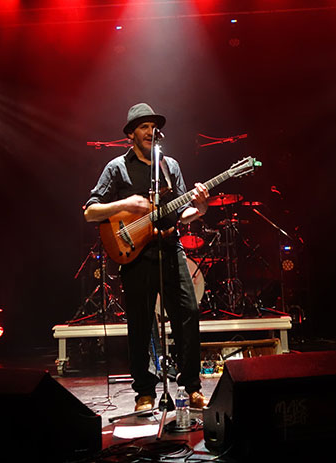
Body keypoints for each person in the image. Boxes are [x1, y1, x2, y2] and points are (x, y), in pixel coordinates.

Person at [84, 103, 209, 411]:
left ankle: (191, 386)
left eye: (153, 126)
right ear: (131, 134)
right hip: (136, 254)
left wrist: (201, 208)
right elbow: (90, 211)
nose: (150, 131)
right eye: (143, 126)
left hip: (170, 246)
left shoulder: (170, 166)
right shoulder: (117, 168)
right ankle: (145, 392)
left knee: (188, 312)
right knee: (140, 323)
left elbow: (183, 212)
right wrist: (126, 204)